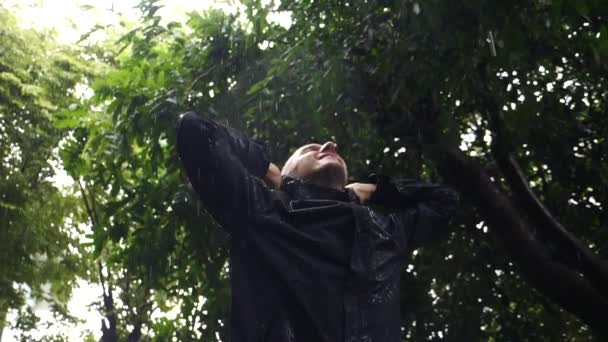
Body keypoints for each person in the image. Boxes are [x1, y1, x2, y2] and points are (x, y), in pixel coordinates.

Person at [176, 111, 459, 342]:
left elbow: (446, 201)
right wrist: (268, 170)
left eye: (330, 148)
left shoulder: (382, 232)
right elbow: (195, 130)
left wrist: (374, 190)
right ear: (286, 175)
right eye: (310, 150)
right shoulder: (263, 210)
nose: (329, 146)